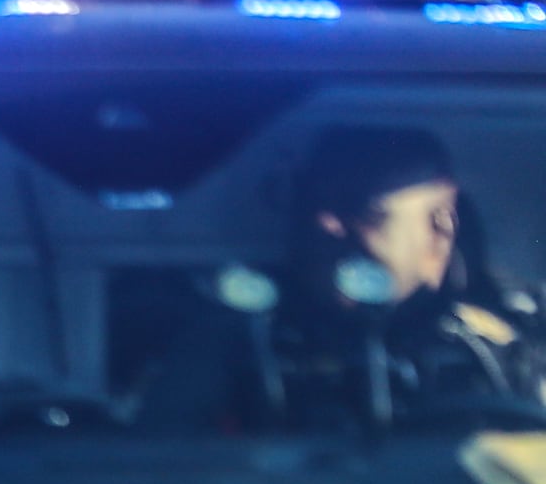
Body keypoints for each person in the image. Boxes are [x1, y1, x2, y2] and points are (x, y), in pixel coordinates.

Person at [140, 125, 546, 433]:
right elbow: (157, 472)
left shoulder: (513, 343)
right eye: (315, 205)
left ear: (440, 230)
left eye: (360, 210)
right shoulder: (235, 341)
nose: (327, 226)